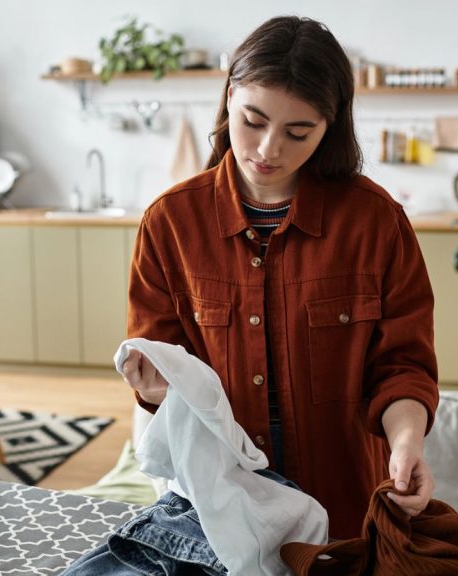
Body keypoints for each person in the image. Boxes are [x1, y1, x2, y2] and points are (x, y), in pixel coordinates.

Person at [121, 14, 439, 542]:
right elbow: (165, 383)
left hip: (344, 511)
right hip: (220, 512)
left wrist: (407, 445)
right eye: (253, 121)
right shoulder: (169, 223)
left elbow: (403, 366)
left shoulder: (376, 222)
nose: (269, 149)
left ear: (329, 127)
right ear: (229, 98)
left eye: (298, 133)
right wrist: (154, 389)